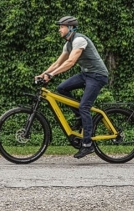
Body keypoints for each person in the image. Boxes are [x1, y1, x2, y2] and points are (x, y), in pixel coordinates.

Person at [36, 16, 108, 159]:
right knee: (62, 88)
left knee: (84, 107)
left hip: (97, 75)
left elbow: (70, 62)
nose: (59, 29)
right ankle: (80, 118)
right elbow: (57, 63)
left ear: (70, 28)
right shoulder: (68, 44)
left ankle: (87, 144)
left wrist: (51, 75)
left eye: (61, 27)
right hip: (86, 74)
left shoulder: (79, 40)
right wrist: (43, 74)